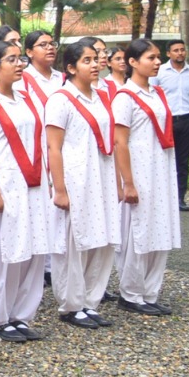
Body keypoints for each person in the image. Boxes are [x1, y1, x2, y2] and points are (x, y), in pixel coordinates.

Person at [0, 40, 49, 343]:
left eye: (21, 59)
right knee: (4, 252)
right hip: (5, 182)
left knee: (32, 251)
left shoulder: (27, 98)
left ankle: (21, 315)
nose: (19, 64)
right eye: (11, 59)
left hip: (32, 183)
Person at [45, 42, 119, 330]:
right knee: (74, 242)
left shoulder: (100, 98)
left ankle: (90, 301)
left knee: (101, 238)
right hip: (75, 177)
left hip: (100, 175)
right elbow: (54, 147)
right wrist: (59, 188)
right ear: (71, 67)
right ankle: (71, 304)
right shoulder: (60, 99)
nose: (95, 64)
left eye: (96, 59)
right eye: (86, 60)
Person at [113, 39, 180, 315]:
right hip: (140, 171)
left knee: (160, 228)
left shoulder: (158, 93)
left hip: (161, 169)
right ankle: (131, 293)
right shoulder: (125, 97)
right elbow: (120, 141)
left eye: (157, 58)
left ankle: (150, 292)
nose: (157, 62)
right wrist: (127, 181)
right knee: (138, 231)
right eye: (150, 57)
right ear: (132, 62)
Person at [154, 38, 189, 211]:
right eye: (176, 50)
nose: (180, 53)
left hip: (187, 119)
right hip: (166, 121)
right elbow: (152, 96)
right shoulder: (159, 72)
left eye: (182, 49)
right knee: (164, 159)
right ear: (168, 53)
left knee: (182, 161)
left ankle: (180, 198)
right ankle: (163, 199)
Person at [20, 30, 62, 110]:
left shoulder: (63, 78)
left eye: (52, 44)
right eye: (43, 45)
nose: (50, 47)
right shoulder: (21, 79)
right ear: (29, 52)